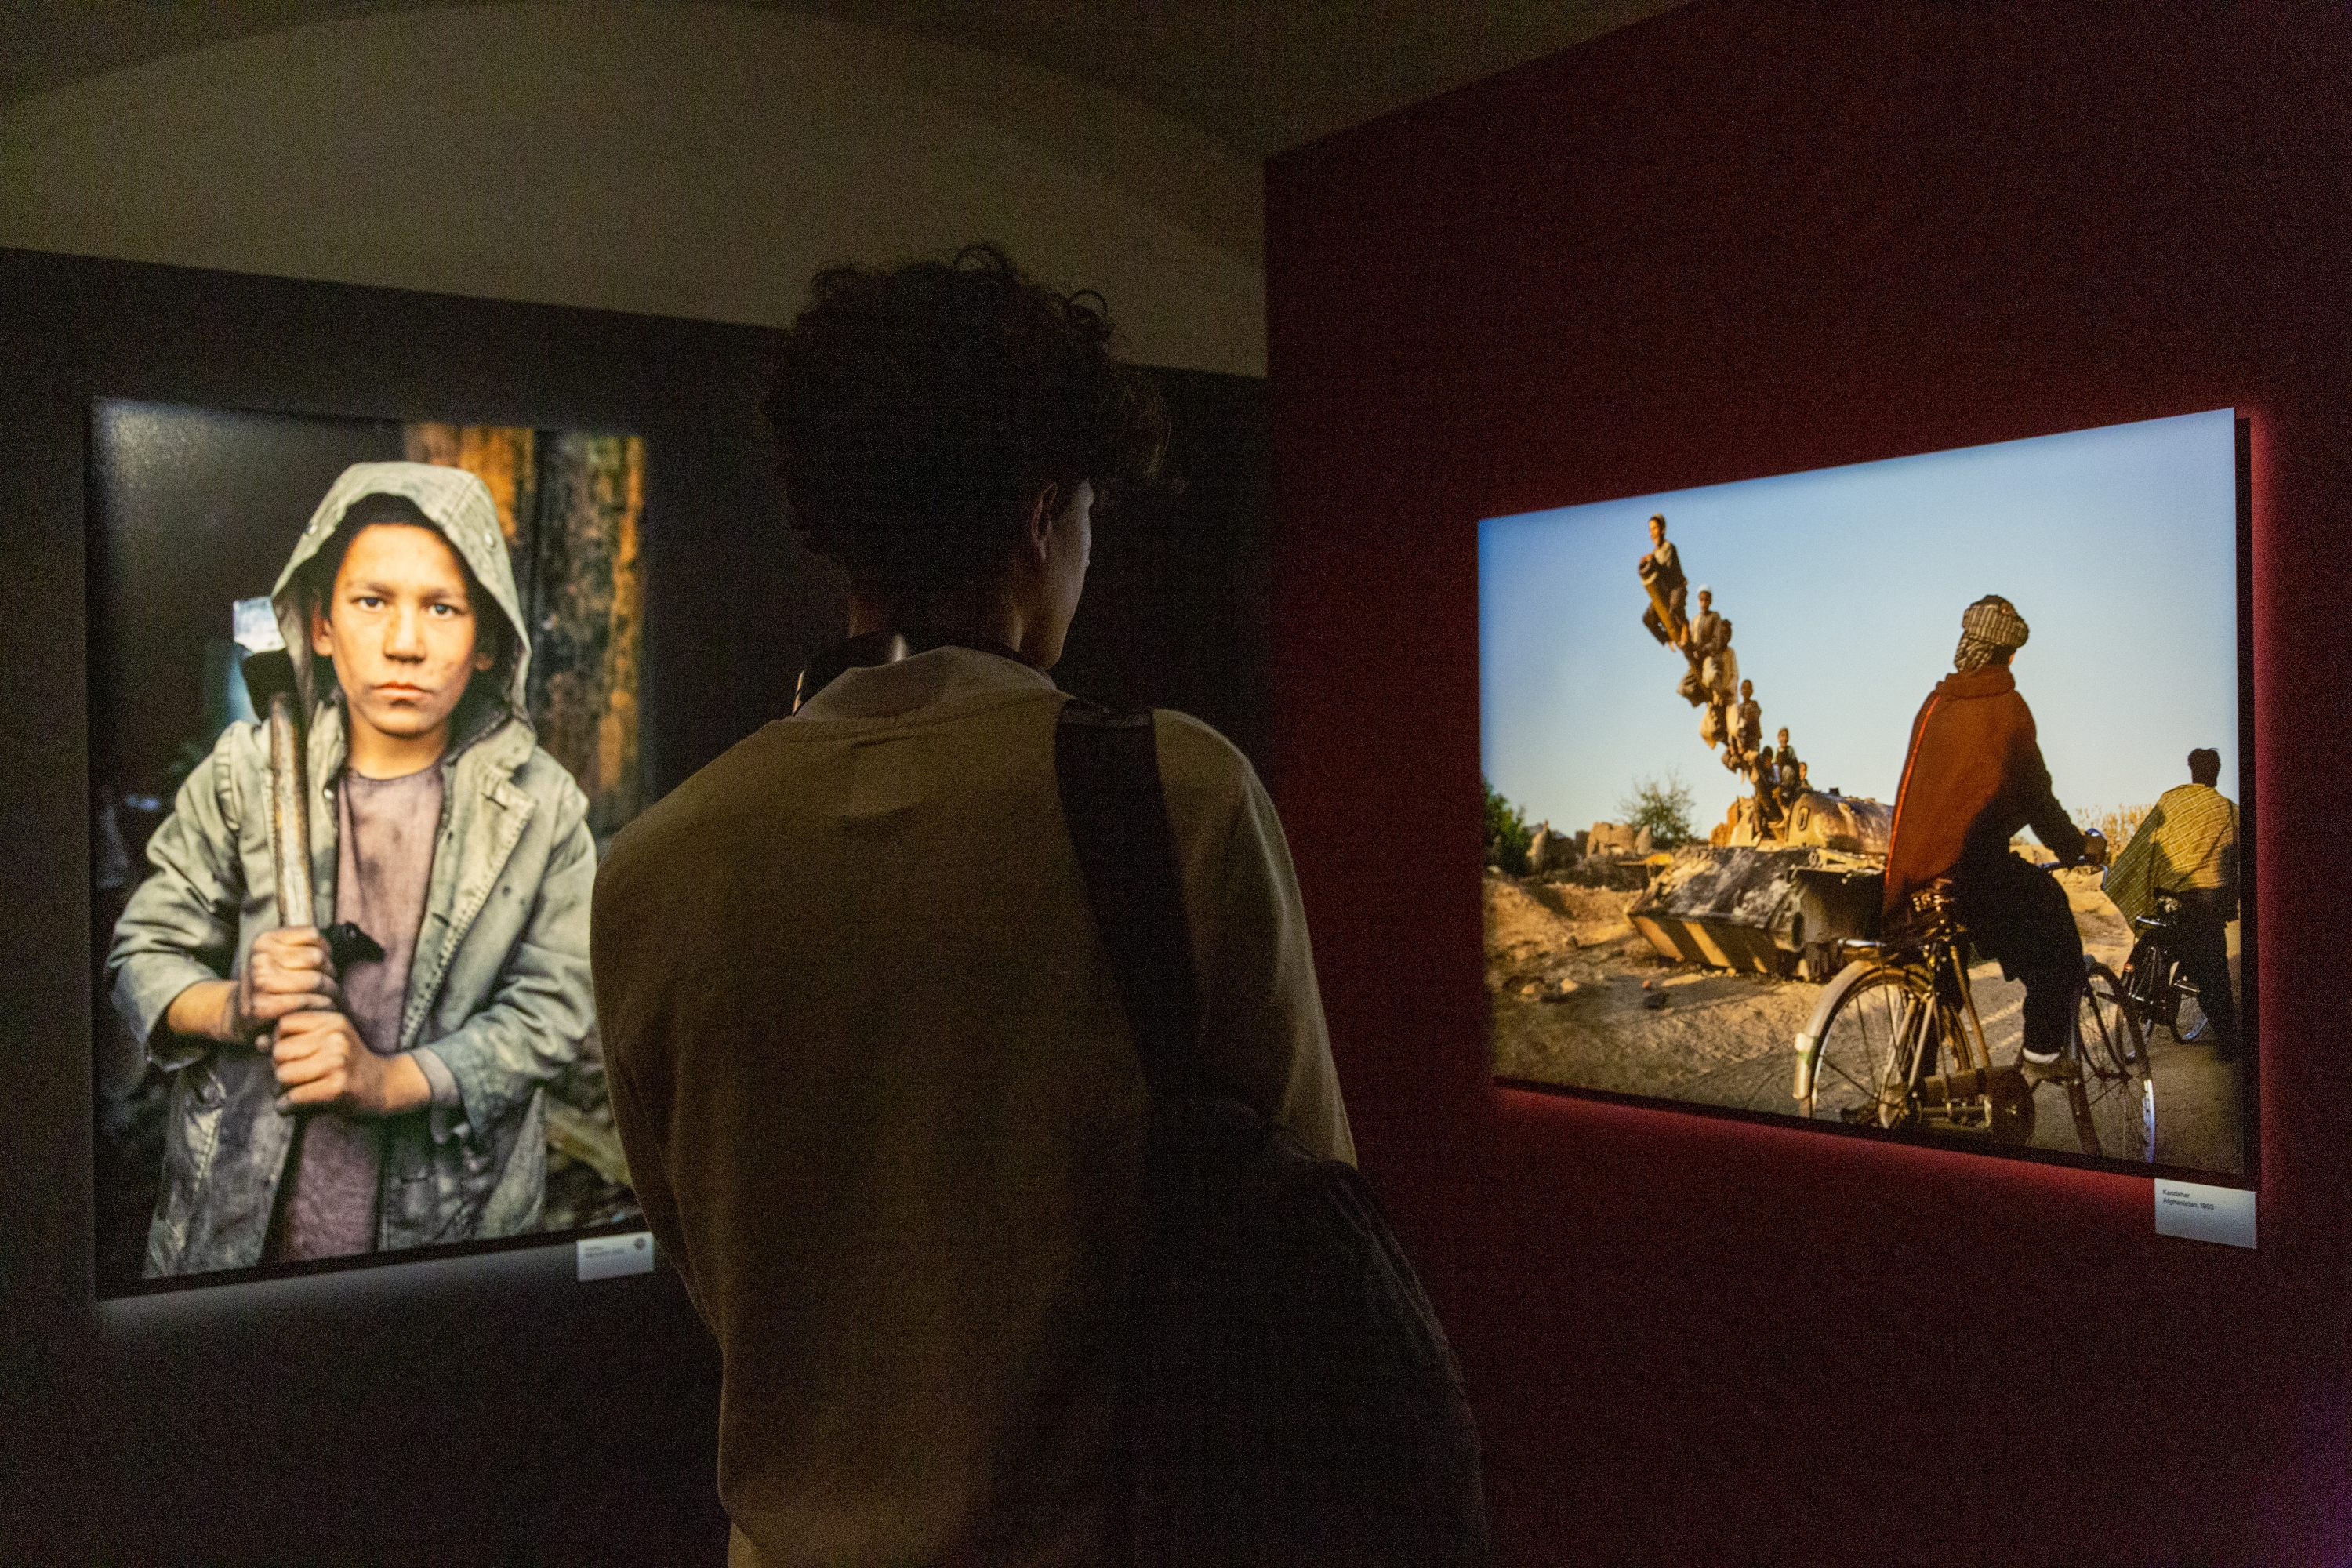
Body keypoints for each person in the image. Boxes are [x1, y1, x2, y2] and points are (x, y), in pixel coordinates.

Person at [592, 244, 1355, 1566]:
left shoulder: (658, 865)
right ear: (1042, 516)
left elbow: (705, 1263)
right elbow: (1318, 1227)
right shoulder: (1183, 799)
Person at [107, 463, 595, 1276]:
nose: (406, 642)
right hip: (235, 1242)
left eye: (443, 607)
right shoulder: (244, 773)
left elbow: (557, 1006)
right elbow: (139, 959)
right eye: (373, 601)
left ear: (489, 643)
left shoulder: (542, 807)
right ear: (322, 622)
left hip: (453, 1244)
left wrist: (390, 1080)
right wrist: (236, 1004)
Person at [1882, 595, 2092, 1065]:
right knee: (2054, 925)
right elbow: (2037, 796)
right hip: (1972, 871)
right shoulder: (2008, 707)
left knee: (1940, 988)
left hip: (1912, 873)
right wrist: (2073, 847)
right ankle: (2042, 1053)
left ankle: (1906, 1093)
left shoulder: (1935, 703)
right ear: (2010, 654)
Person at [2104, 748, 2241, 1057]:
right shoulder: (2229, 811)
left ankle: (2141, 1001)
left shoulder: (2171, 801)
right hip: (2204, 905)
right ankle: (2230, 1046)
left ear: (2191, 771)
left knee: (2156, 940)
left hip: (2166, 899)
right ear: (2216, 773)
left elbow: (2144, 845)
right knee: (2213, 976)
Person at [1638, 512, 1687, 646]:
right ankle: (1667, 638)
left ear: (1663, 530)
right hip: (1663, 592)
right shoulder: (1654, 553)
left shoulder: (1669, 547)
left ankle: (1684, 625)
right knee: (1647, 618)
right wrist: (1645, 564)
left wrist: (1653, 561)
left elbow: (1667, 572)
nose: (1652, 533)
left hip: (1676, 588)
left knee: (1675, 604)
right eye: (1650, 530)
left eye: (1655, 529)